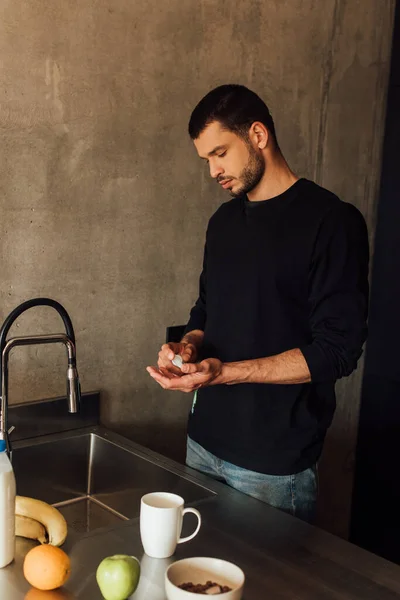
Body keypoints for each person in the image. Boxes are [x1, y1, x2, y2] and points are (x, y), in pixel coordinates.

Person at [147, 84, 369, 523]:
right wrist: (188, 347)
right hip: (203, 443)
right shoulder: (223, 222)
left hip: (273, 465)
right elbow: (206, 309)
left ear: (258, 135)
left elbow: (337, 351)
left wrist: (227, 373)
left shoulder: (331, 222)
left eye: (220, 153)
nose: (213, 171)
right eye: (206, 160)